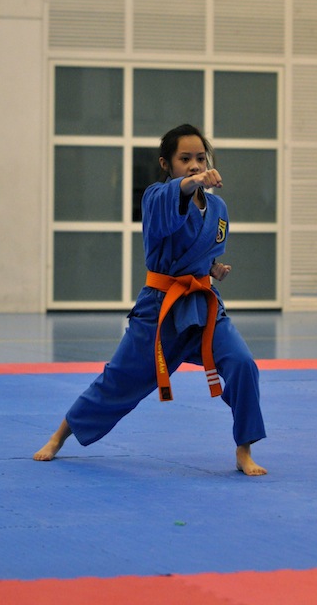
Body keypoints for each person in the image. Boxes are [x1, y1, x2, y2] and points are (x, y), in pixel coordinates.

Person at [34, 124, 267, 476]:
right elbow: (171, 214)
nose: (194, 165)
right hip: (160, 309)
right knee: (119, 380)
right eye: (184, 159)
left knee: (242, 363)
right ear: (166, 163)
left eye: (200, 158)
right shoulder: (157, 197)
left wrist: (213, 268)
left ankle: (243, 450)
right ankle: (59, 436)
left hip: (203, 307)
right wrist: (192, 183)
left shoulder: (218, 208)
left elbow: (200, 251)